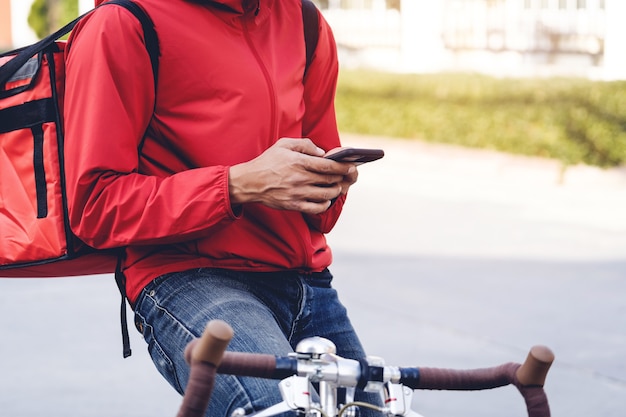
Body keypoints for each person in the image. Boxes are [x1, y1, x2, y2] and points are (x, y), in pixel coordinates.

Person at [64, 0, 376, 416]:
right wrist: (237, 185)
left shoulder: (304, 20)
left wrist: (328, 183)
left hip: (306, 280)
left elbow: (322, 213)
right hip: (187, 276)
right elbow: (95, 206)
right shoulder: (123, 23)